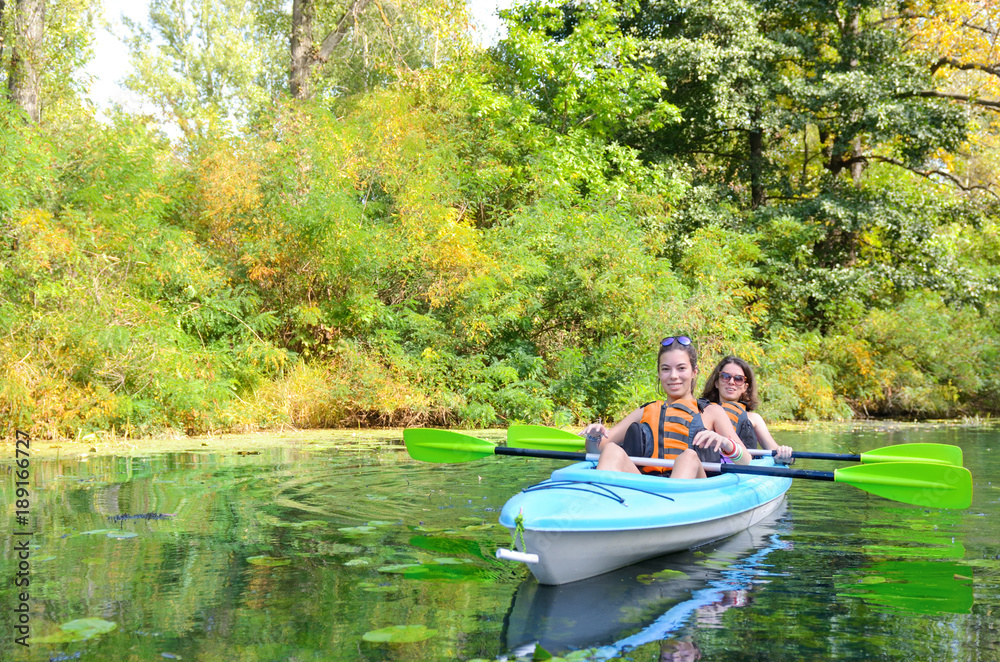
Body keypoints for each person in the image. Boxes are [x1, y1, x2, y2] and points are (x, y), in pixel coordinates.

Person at [581, 335, 751, 479]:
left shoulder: (712, 412)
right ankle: (596, 505)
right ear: (659, 373)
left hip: (695, 489)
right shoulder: (645, 411)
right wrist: (594, 437)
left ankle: (670, 509)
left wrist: (727, 444)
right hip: (648, 487)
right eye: (666, 369)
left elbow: (746, 460)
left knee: (689, 457)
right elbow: (597, 451)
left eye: (681, 368)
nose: (673, 376)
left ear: (694, 371)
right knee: (611, 450)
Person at [701, 355, 793, 461]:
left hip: (741, 472)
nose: (731, 382)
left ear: (745, 387)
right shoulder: (704, 412)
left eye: (738, 379)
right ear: (717, 383)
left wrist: (786, 454)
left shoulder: (754, 418)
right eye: (725, 376)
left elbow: (774, 450)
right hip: (707, 471)